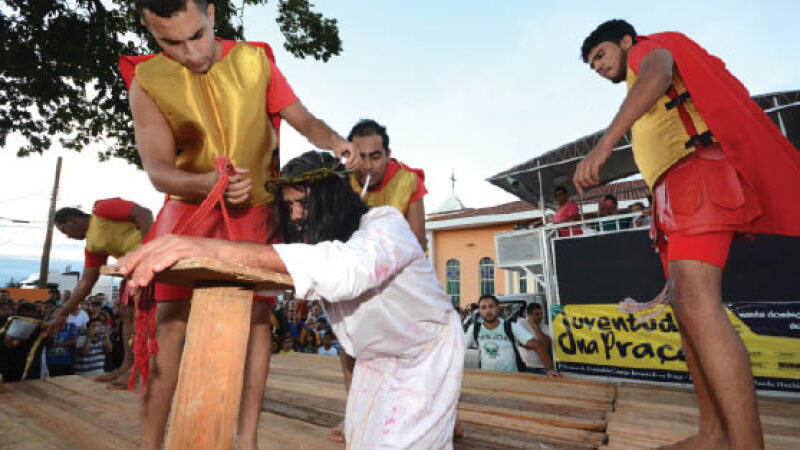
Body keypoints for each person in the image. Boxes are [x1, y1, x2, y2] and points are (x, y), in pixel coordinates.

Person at [120, 1, 359, 448]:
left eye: (198, 35)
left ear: (211, 13)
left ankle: (245, 440)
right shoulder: (147, 81)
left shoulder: (255, 61)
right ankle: (151, 445)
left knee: (255, 326)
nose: (191, 54)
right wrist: (207, 183)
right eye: (170, 42)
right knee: (167, 332)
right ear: (148, 29)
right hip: (190, 212)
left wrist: (334, 141)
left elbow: (303, 120)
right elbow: (157, 171)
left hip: (254, 211)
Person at [117, 151, 464, 449]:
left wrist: (201, 246)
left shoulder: (386, 224)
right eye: (289, 207)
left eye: (305, 204)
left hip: (424, 355)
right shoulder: (321, 243)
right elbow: (285, 272)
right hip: (374, 362)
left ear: (333, 200)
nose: (296, 216)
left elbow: (347, 272)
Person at [576, 20, 800, 450]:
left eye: (600, 55)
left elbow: (659, 74)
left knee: (698, 305)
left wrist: (605, 145)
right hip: (670, 194)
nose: (599, 67)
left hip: (698, 175)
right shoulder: (633, 87)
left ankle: (747, 444)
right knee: (686, 313)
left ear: (625, 41)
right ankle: (712, 434)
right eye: (592, 65)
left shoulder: (649, 49)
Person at [332, 118, 430, 441]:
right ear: (350, 156)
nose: (369, 165)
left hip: (399, 280)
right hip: (358, 280)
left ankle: (432, 413)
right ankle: (355, 416)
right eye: (361, 157)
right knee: (350, 346)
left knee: (416, 352)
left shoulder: (408, 180)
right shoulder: (342, 182)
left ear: (388, 154)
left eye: (376, 156)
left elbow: (418, 238)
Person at [50, 199, 151, 389]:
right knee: (128, 314)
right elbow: (87, 282)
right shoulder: (91, 246)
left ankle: (140, 369)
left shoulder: (101, 209)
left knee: (145, 317)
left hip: (151, 263)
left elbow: (144, 213)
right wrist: (63, 312)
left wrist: (148, 249)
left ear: (73, 220)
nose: (68, 237)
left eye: (65, 231)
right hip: (131, 271)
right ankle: (127, 365)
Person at [465, 295, 558, 376]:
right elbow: (460, 348)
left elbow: (536, 345)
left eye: (491, 306)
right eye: (483, 307)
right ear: (480, 311)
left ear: (497, 308)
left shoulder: (510, 326)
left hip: (512, 377)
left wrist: (550, 369)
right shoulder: (474, 328)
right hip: (488, 377)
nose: (488, 311)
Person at [516, 303, 558, 375]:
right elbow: (523, 343)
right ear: (529, 315)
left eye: (542, 314)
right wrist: (536, 345)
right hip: (526, 366)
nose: (541, 317)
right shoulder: (521, 324)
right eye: (537, 314)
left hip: (542, 367)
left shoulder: (545, 327)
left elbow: (546, 346)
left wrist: (537, 330)